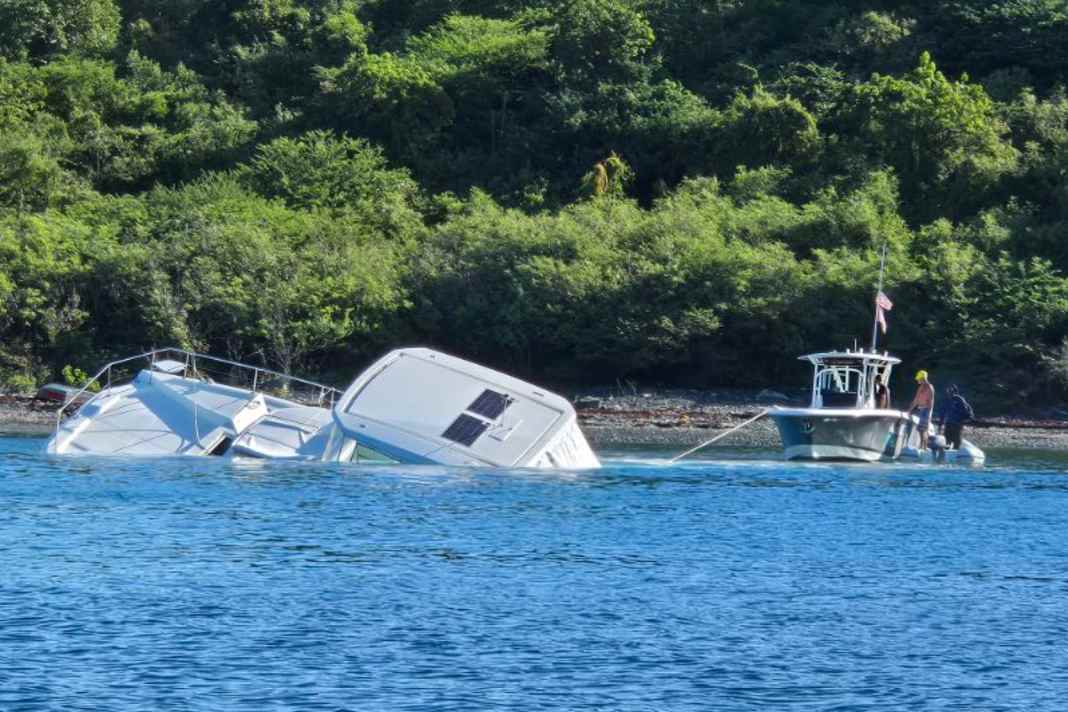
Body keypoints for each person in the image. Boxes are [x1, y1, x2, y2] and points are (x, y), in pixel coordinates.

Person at [938, 384, 974, 450]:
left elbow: (966, 410)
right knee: (947, 440)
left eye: (950, 390)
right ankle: (947, 453)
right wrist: (940, 425)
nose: (948, 392)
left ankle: (956, 452)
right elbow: (942, 413)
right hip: (948, 424)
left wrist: (964, 419)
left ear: (954, 391)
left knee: (957, 441)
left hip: (958, 424)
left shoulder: (959, 399)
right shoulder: (946, 400)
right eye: (948, 390)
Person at [908, 370, 935, 451]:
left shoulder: (930, 387)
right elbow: (916, 400)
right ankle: (923, 447)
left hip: (926, 410)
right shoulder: (921, 387)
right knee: (921, 429)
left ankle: (923, 447)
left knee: (923, 429)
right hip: (921, 410)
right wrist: (909, 410)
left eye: (919, 379)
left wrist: (929, 413)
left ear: (923, 378)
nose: (917, 380)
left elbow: (931, 401)